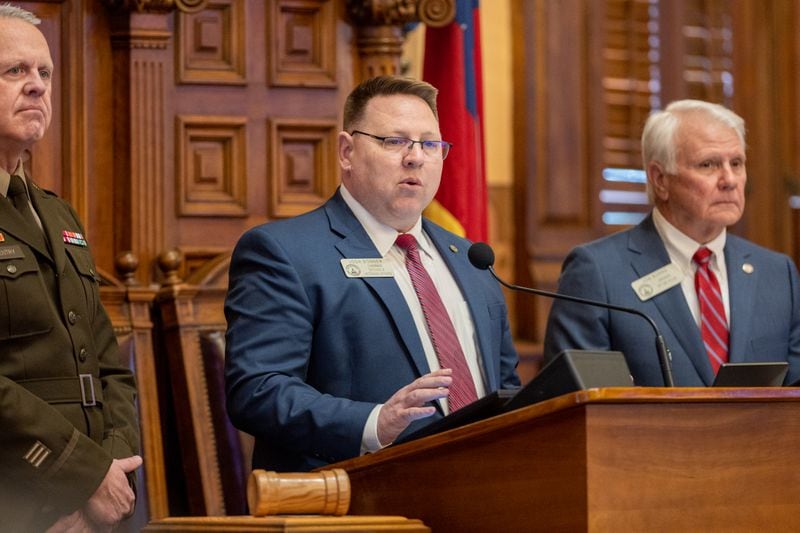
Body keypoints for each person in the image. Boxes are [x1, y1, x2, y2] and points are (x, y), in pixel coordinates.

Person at [225, 75, 520, 472]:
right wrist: (373, 424)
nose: (415, 157)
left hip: (487, 490)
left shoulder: (471, 259)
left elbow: (505, 390)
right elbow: (258, 391)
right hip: (354, 497)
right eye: (394, 141)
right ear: (347, 151)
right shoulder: (285, 253)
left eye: (429, 144)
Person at [0, 4, 141, 531]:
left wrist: (113, 472)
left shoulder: (57, 213)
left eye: (45, 73)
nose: (36, 86)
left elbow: (107, 365)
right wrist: (80, 477)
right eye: (14, 71)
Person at [543, 99, 800, 386]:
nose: (729, 179)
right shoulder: (598, 273)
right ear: (660, 179)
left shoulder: (777, 274)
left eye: (737, 163)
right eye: (708, 164)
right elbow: (577, 408)